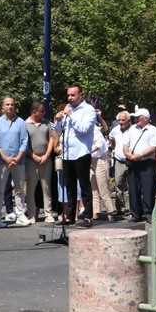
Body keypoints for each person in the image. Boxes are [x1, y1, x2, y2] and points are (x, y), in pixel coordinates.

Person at [54, 84, 98, 227]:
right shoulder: (68, 109)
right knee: (70, 187)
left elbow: (84, 129)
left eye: (73, 95)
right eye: (68, 95)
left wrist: (71, 116)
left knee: (84, 186)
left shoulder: (88, 110)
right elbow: (59, 131)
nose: (70, 98)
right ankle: (70, 216)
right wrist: (58, 120)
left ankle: (87, 217)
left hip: (81, 153)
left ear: (80, 95)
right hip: (67, 154)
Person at [0, 96, 29, 224]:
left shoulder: (21, 122)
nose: (10, 106)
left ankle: (20, 214)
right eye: (7, 104)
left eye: (12, 104)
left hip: (18, 161)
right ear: (3, 106)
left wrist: (18, 157)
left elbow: (25, 141)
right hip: (2, 161)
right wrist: (5, 158)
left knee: (19, 189)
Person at [123, 108, 156, 223]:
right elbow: (125, 145)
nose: (136, 119)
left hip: (146, 162)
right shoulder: (131, 129)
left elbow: (153, 147)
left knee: (148, 189)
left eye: (138, 117)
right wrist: (128, 154)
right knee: (133, 189)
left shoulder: (152, 130)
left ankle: (148, 213)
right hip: (133, 162)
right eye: (135, 117)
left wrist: (140, 155)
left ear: (145, 118)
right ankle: (135, 214)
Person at [107, 109, 133, 219]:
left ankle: (133, 209)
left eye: (123, 120)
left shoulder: (133, 130)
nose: (121, 122)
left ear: (128, 121)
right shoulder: (115, 130)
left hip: (131, 161)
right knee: (118, 185)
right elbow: (111, 139)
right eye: (119, 120)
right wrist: (113, 148)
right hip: (119, 161)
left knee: (132, 186)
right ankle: (120, 208)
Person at [89, 118, 115, 221]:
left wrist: (87, 151)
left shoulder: (94, 129)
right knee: (93, 188)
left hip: (100, 159)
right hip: (90, 160)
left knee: (103, 187)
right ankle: (95, 212)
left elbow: (99, 144)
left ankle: (110, 211)